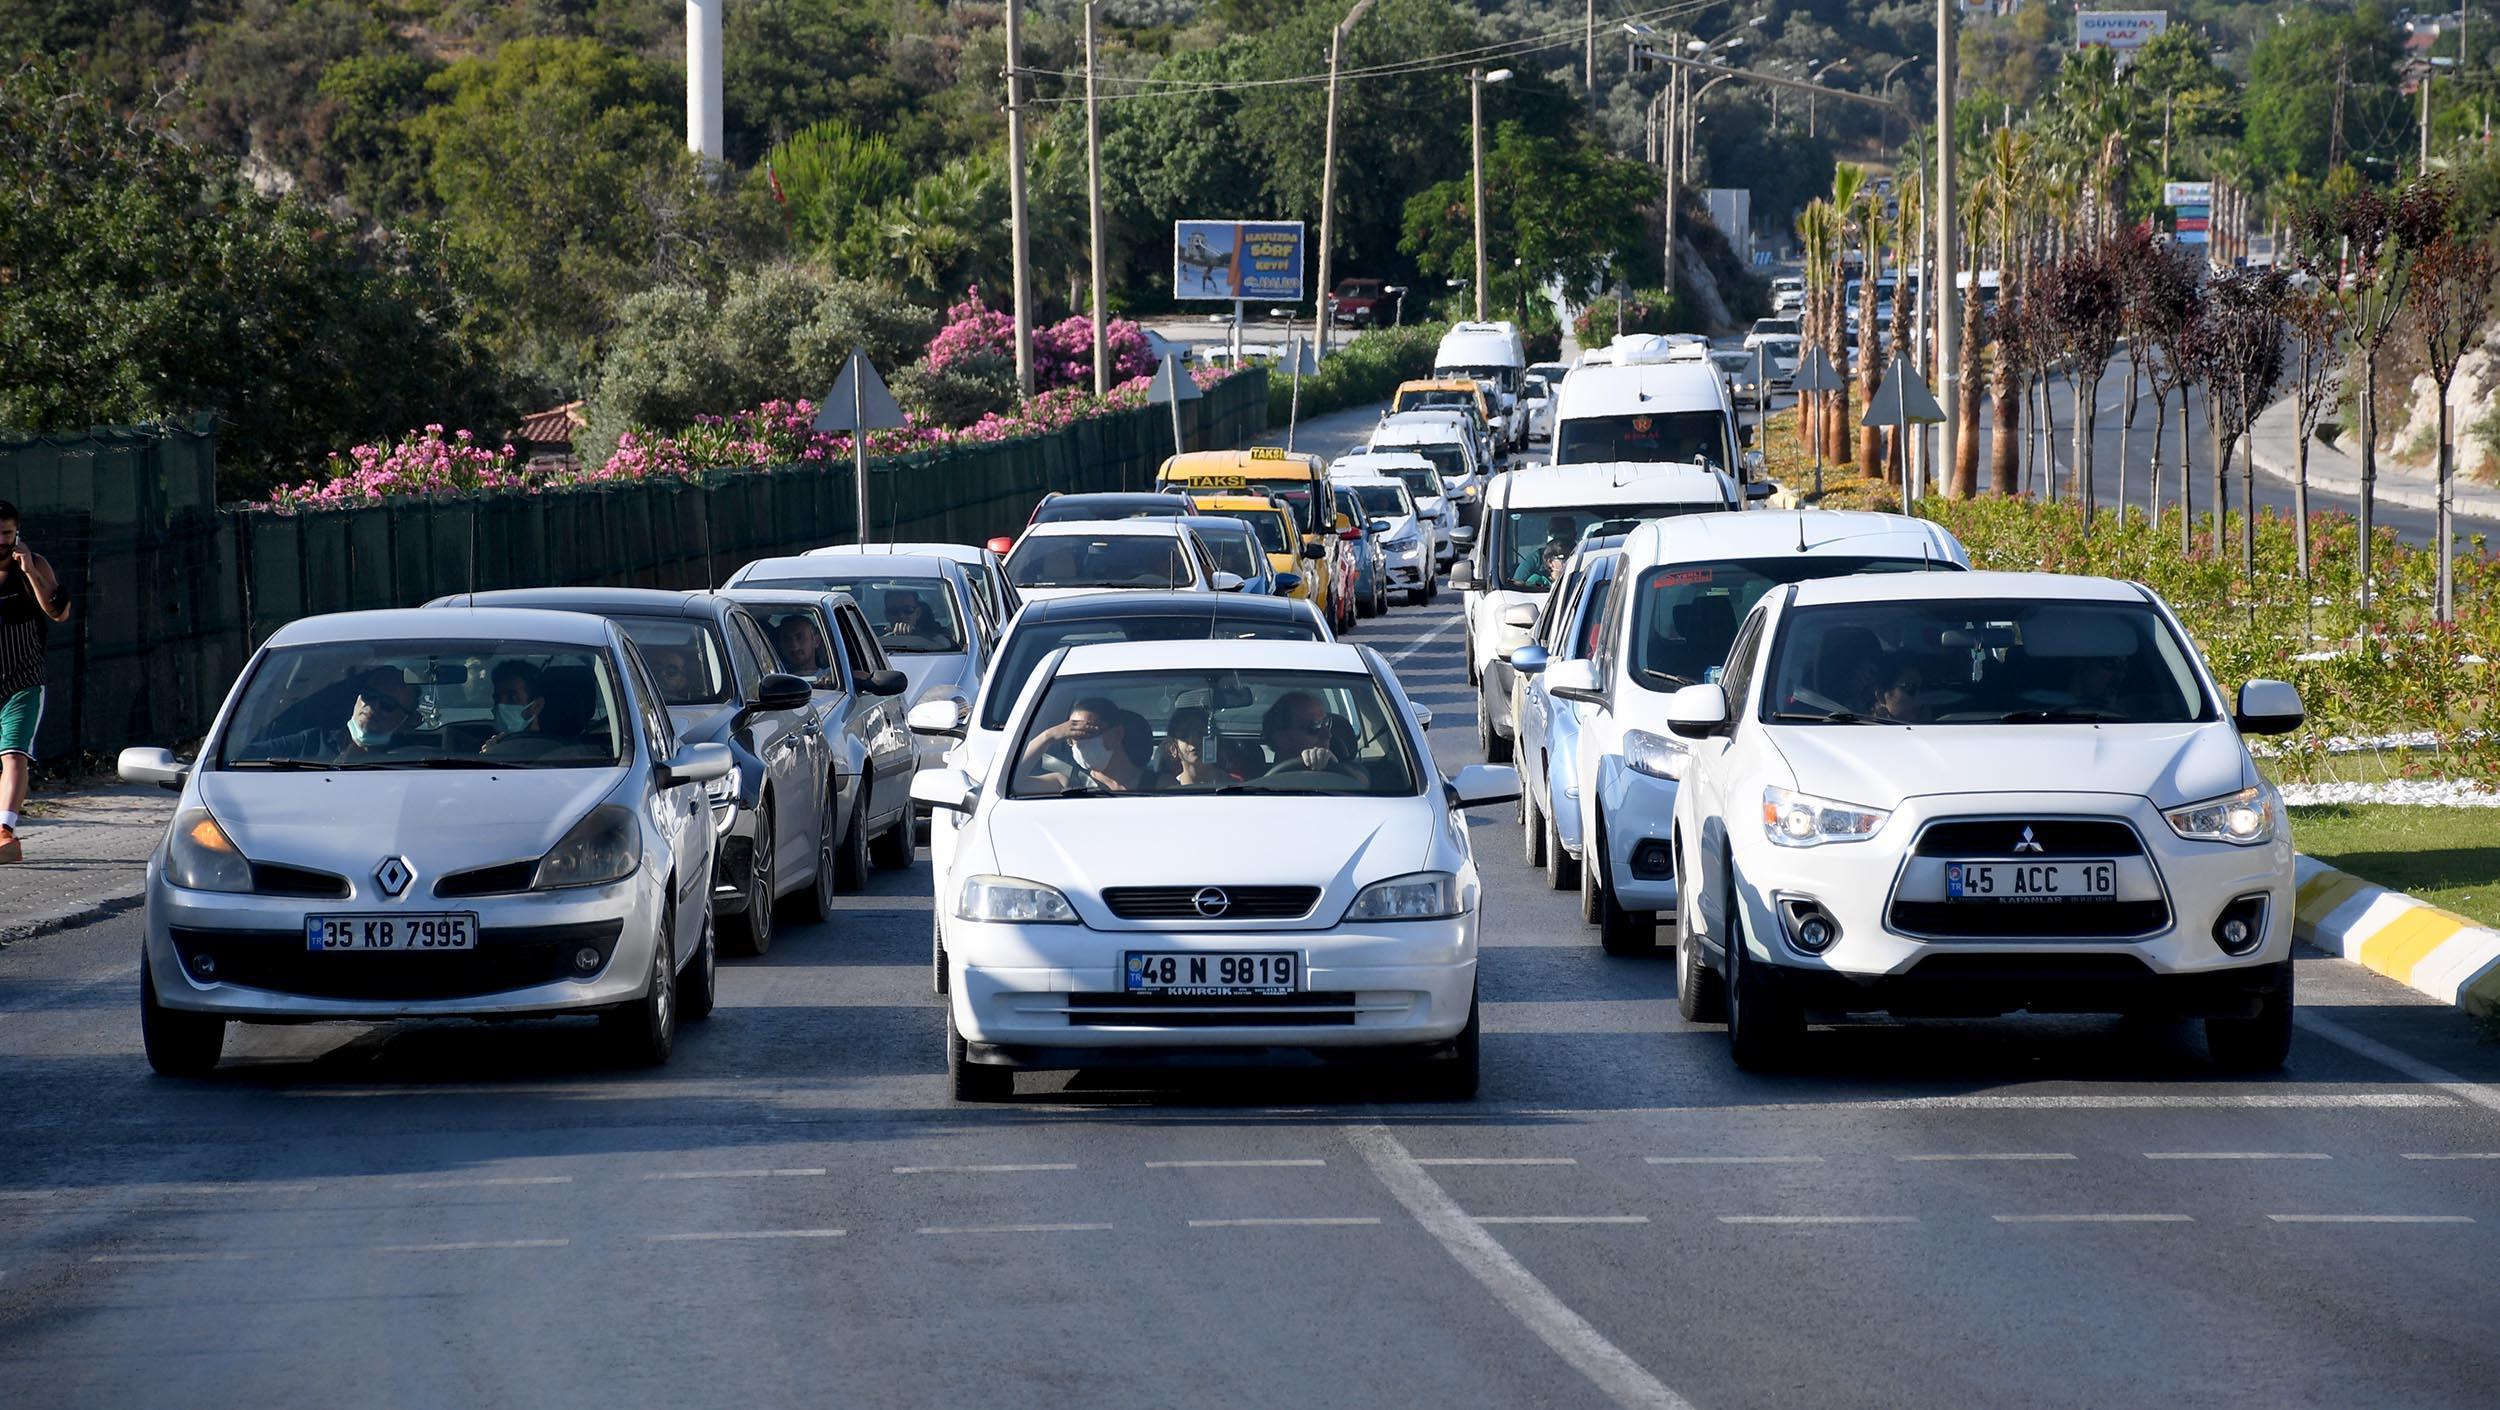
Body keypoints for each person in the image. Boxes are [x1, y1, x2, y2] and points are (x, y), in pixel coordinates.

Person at [0, 501, 72, 863]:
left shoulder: (34, 565)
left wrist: (29, 571)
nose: (1, 541)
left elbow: (59, 612)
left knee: (13, 754)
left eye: (6, 534)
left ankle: (5, 831)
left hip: (22, 679)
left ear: (17, 533)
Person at [247, 666, 419, 764]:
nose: (373, 705)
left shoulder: (414, 760)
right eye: (369, 695)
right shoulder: (311, 741)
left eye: (388, 704)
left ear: (406, 721)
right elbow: (244, 755)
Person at [1018, 696, 1145, 793]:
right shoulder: (1068, 784)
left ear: (1117, 734)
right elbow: (1011, 783)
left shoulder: (1160, 785)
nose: (1078, 744)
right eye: (1071, 736)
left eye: (1085, 732)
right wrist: (1048, 736)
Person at [1259, 691, 1368, 784]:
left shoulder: (1351, 770)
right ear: (1281, 738)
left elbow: (1365, 783)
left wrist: (1336, 768)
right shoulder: (1249, 788)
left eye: (1326, 722)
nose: (1328, 734)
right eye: (1314, 725)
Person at [1152, 705, 1236, 789]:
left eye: (1201, 733)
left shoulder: (1236, 788)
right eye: (1184, 735)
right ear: (1173, 748)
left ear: (1214, 741)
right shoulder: (1167, 793)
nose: (1193, 740)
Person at [480, 660, 546, 751]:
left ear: (537, 706)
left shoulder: (556, 753)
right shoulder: (489, 746)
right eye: (497, 699)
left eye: (512, 697)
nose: (501, 706)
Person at [771, 614, 829, 679]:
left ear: (816, 641)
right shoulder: (776, 681)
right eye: (787, 639)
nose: (794, 645)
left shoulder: (831, 677)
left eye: (799, 637)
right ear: (780, 646)